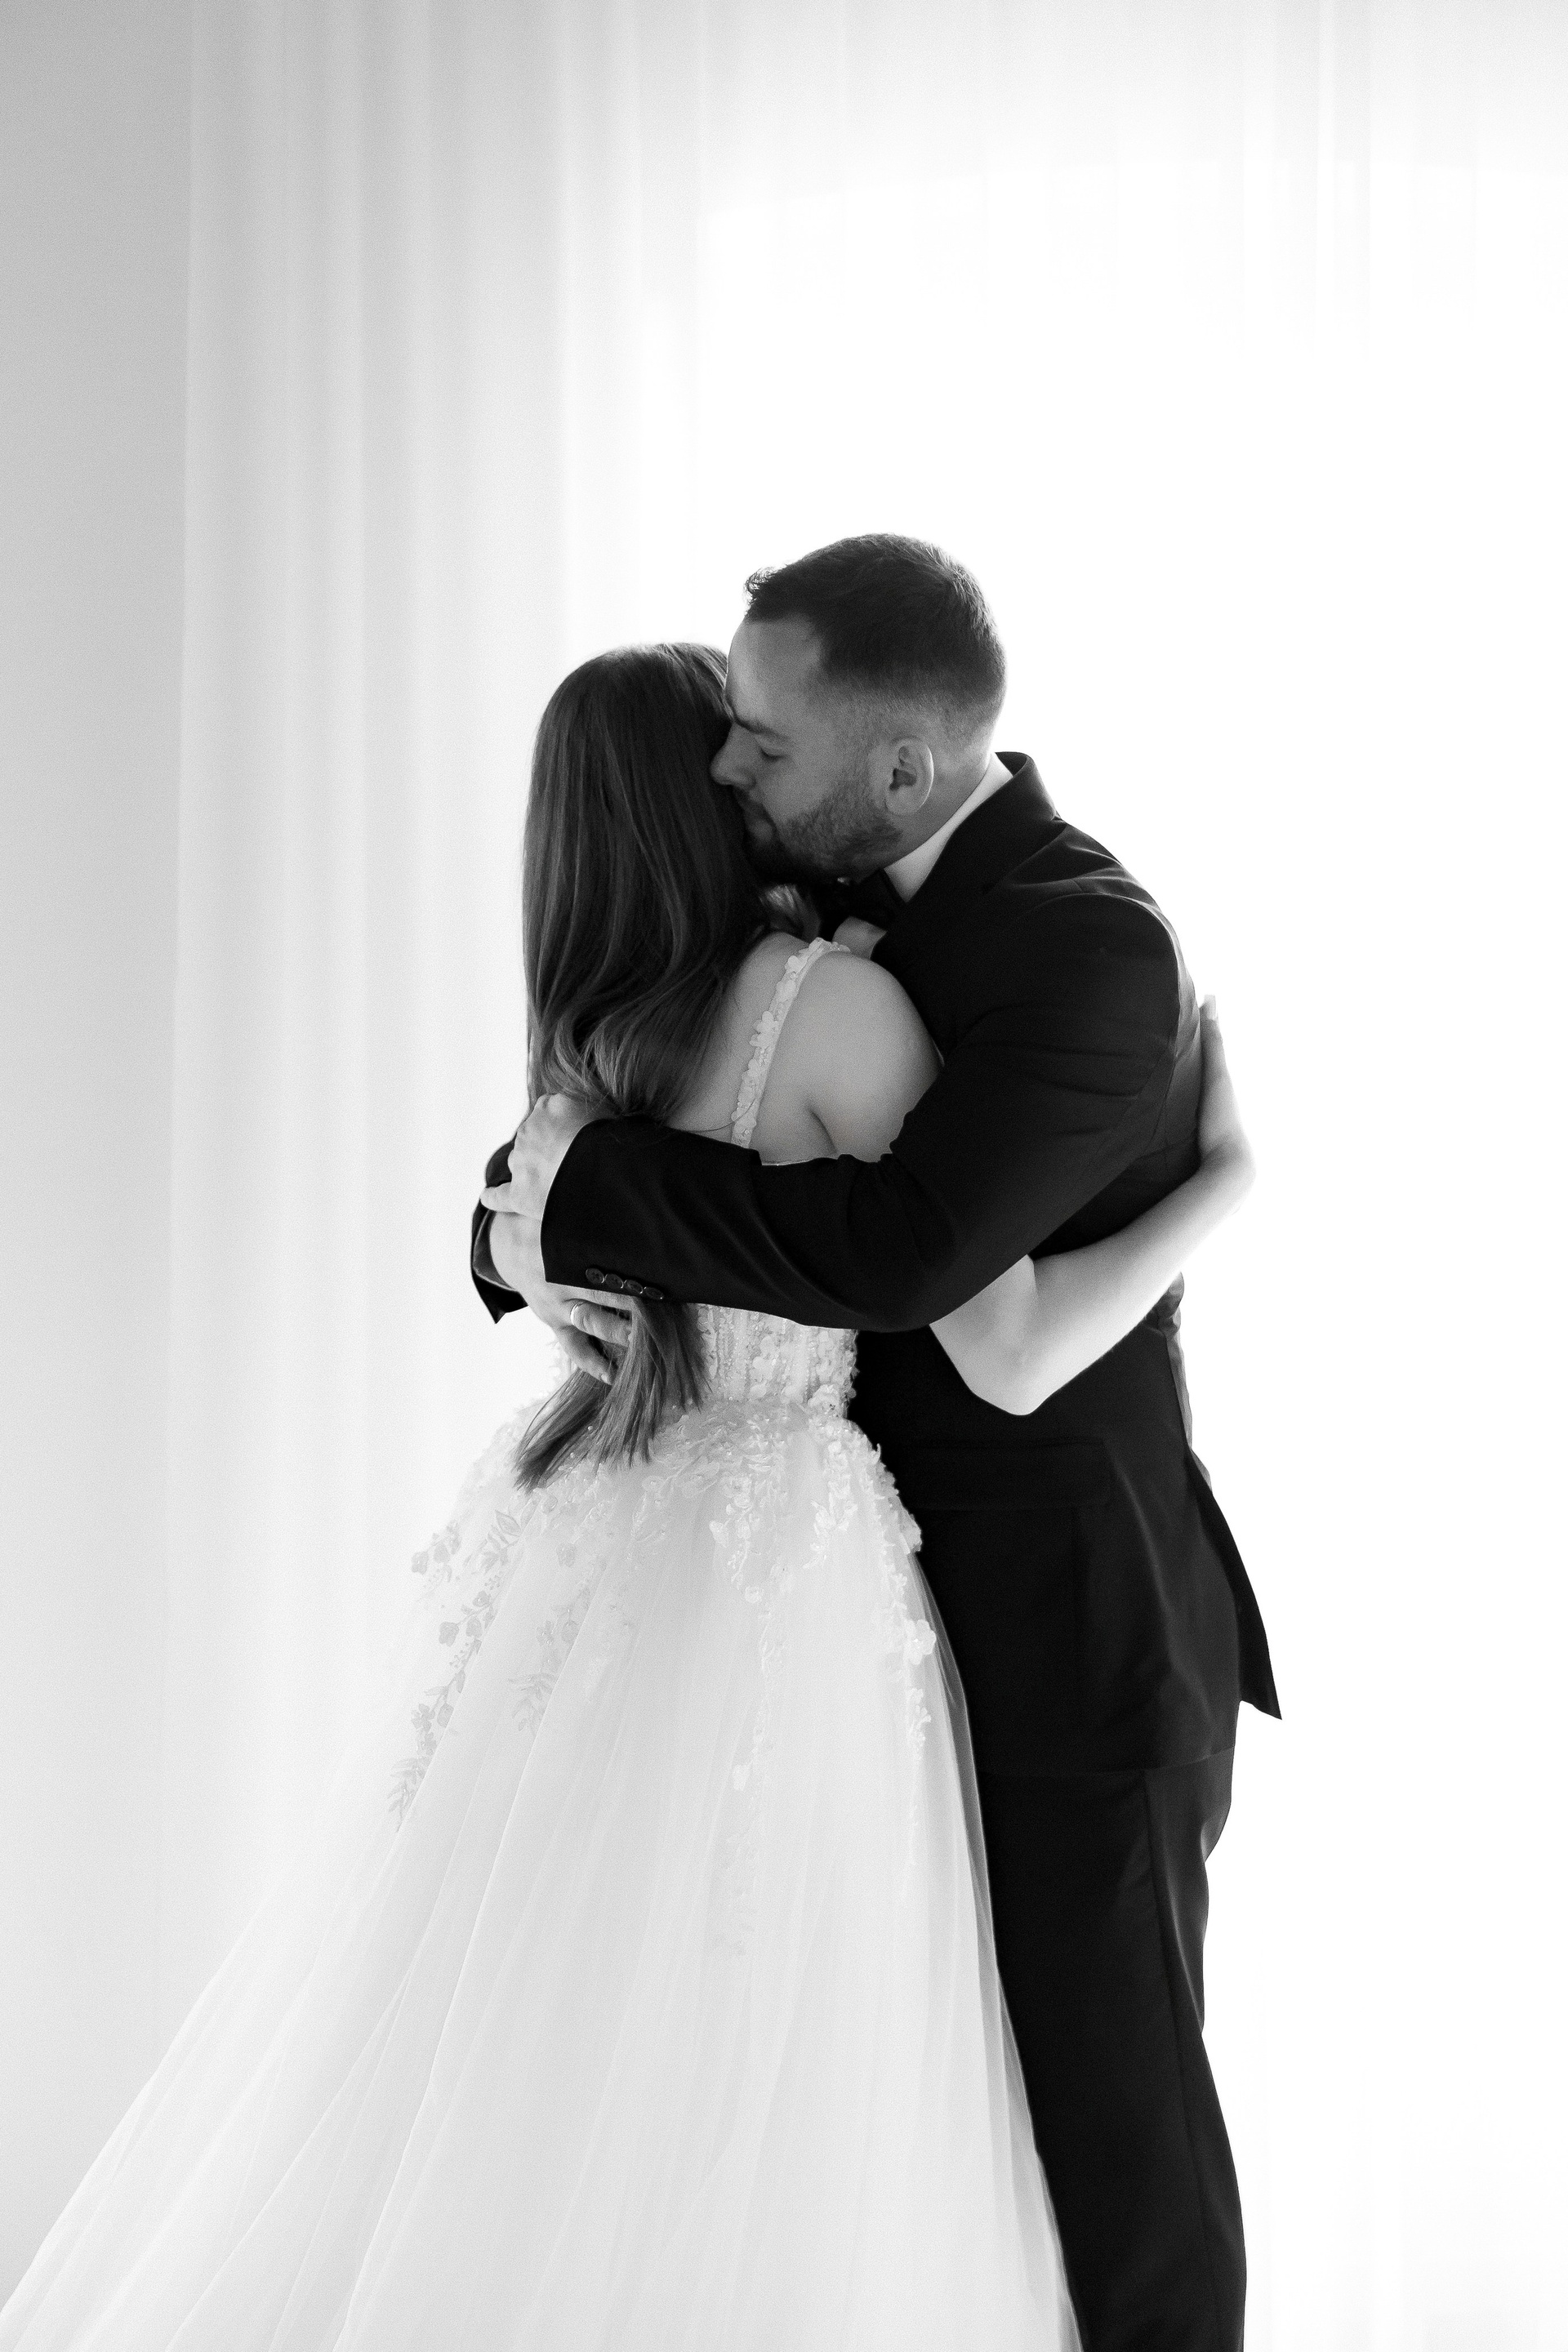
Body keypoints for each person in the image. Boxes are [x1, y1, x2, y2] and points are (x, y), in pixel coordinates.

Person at [3, 639, 1254, 2352]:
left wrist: (531, 1236)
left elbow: (561, 1215)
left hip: (620, 1544)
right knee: (798, 2061)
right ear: (696, 800)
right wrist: (1230, 1180)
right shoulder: (836, 1010)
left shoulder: (594, 1050)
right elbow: (998, 1331)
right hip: (796, 1568)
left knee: (557, 2033)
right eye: (731, 750)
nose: (752, 773)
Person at [483, 540, 1280, 2352]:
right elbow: (644, 1072)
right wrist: (515, 1222)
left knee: (1115, 2147)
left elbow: (922, 1267)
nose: (728, 771)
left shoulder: (1083, 945)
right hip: (842, 1621)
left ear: (900, 767)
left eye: (760, 744)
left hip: (1065, 1627)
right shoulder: (816, 903)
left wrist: (584, 1197)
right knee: (838, 2121)